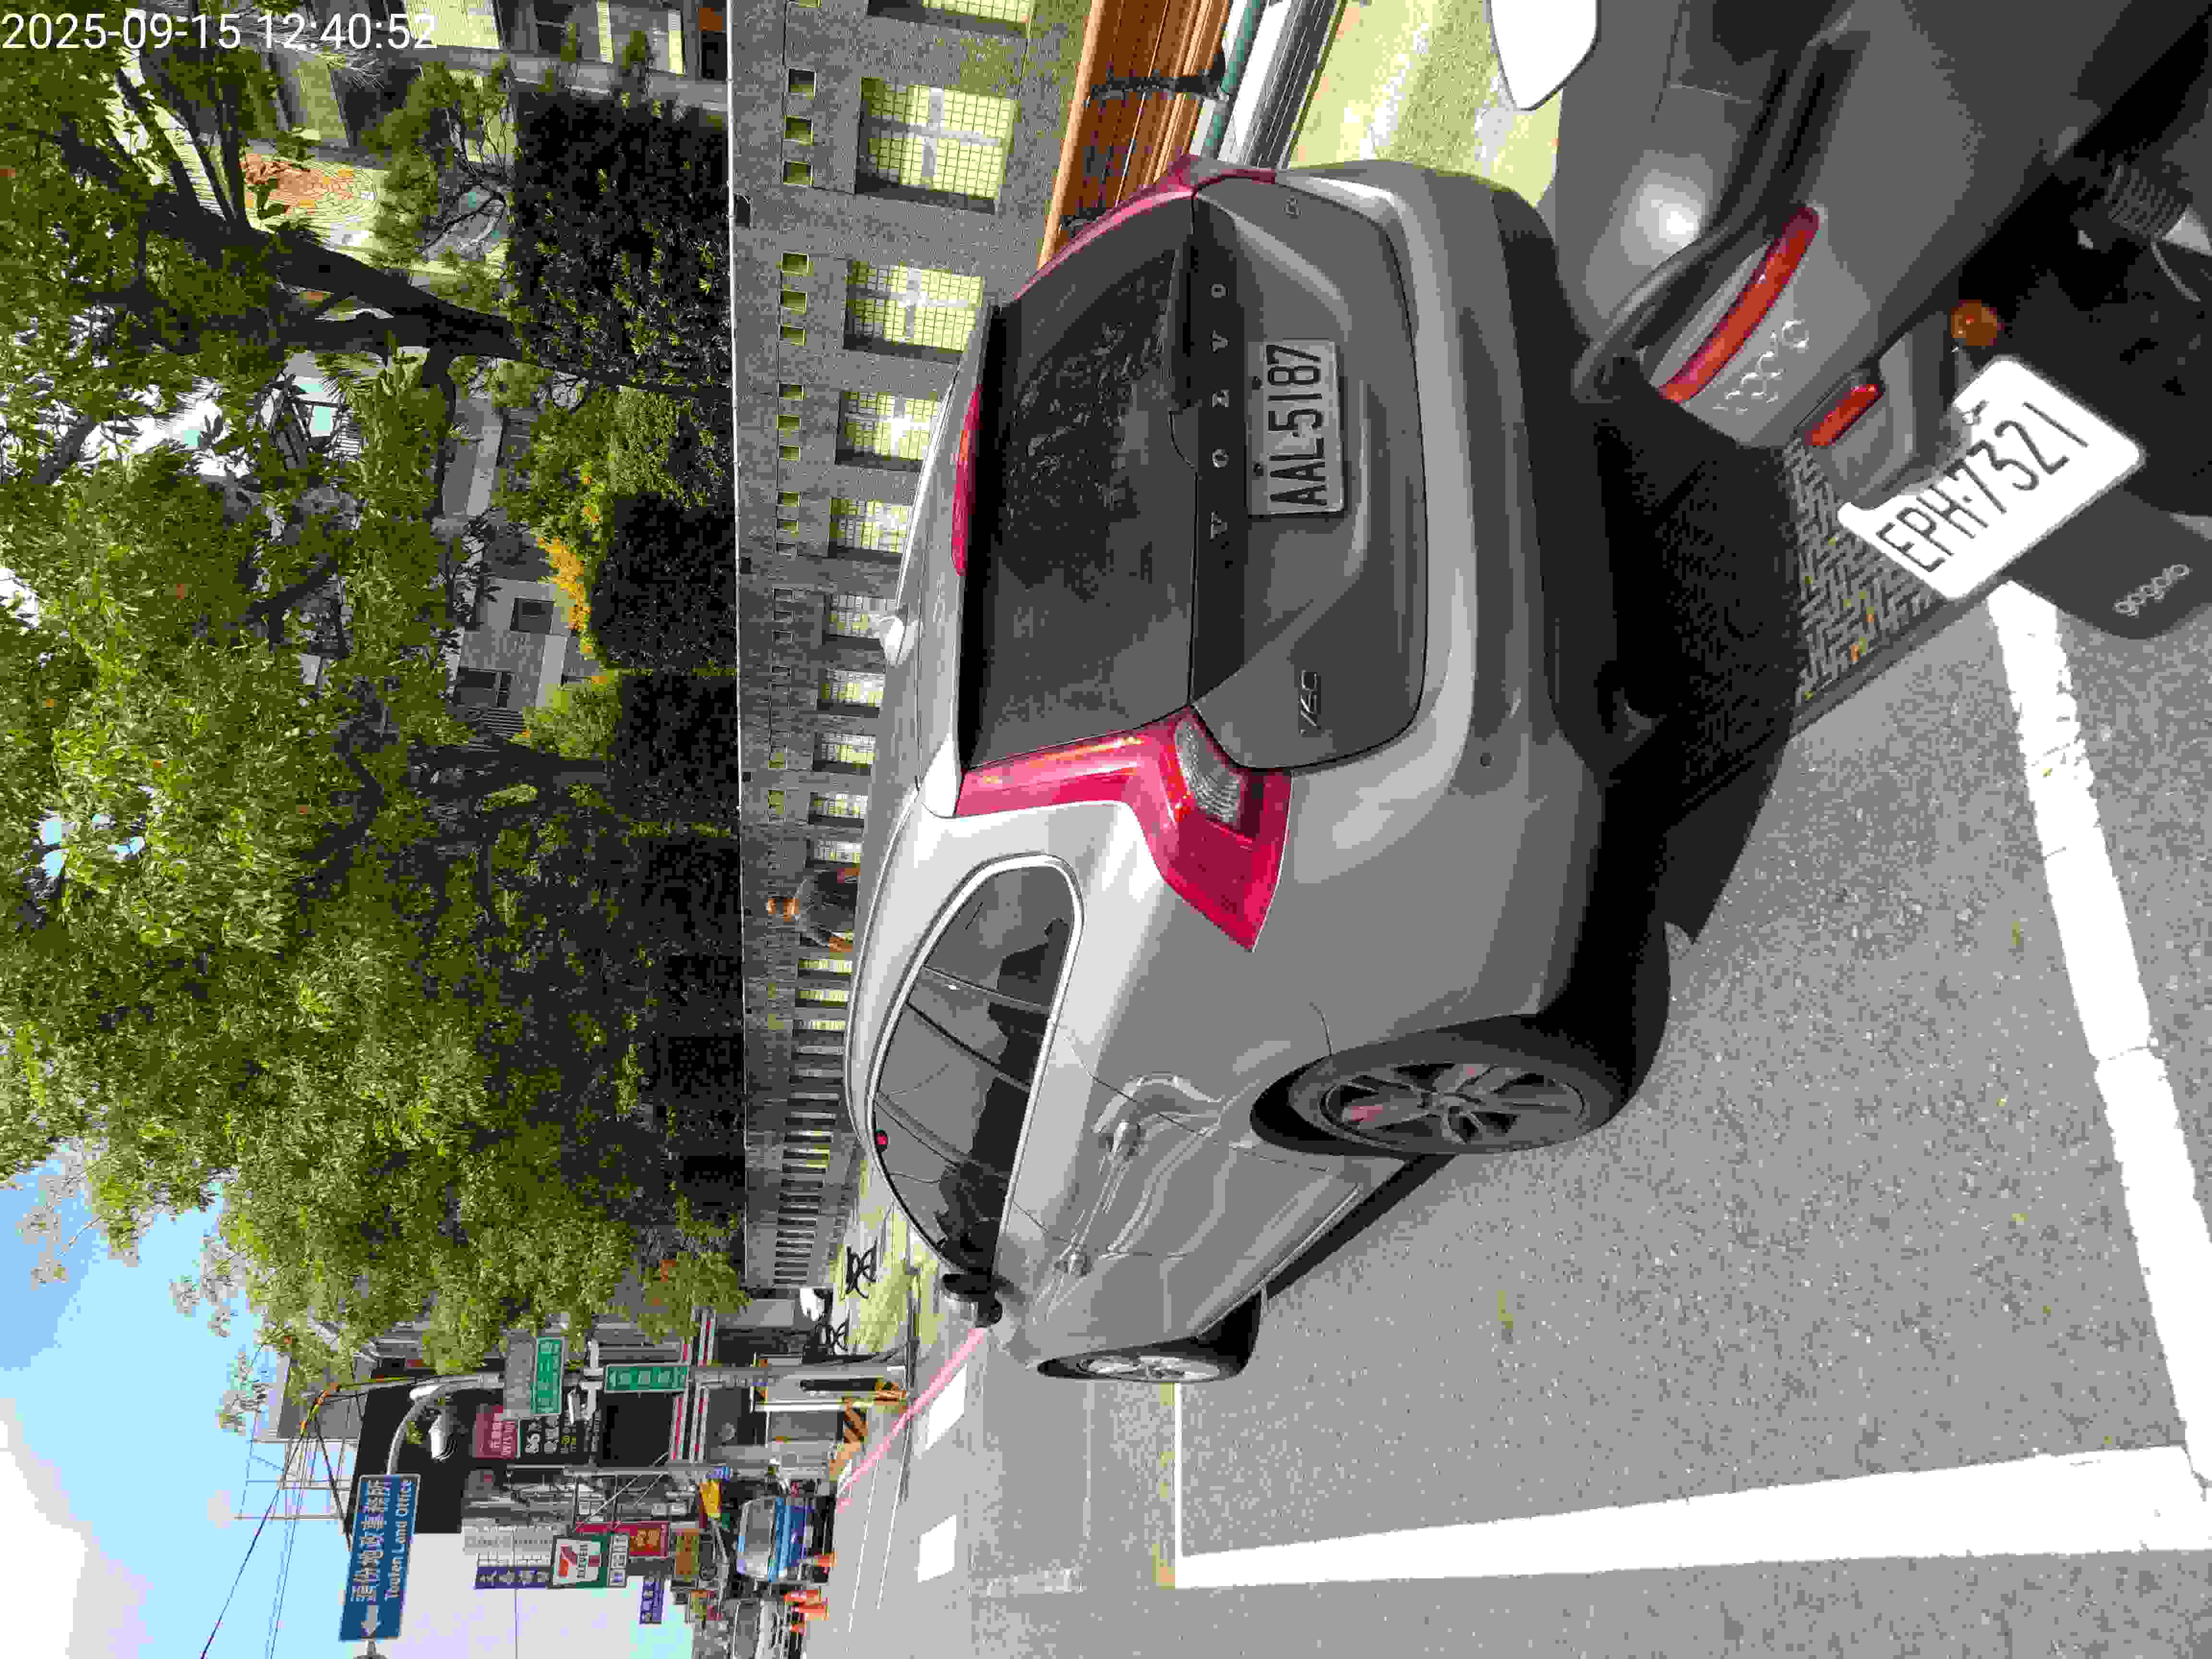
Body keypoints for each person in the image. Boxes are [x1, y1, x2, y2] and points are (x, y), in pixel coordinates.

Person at [763, 865, 859, 952]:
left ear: (784, 915)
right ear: (786, 897)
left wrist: (860, 950)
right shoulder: (809, 882)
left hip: (861, 922)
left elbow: (838, 943)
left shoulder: (806, 927)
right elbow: (845, 874)